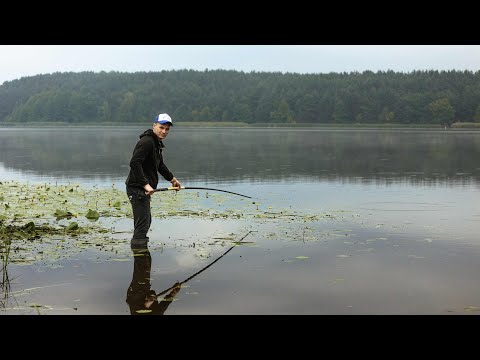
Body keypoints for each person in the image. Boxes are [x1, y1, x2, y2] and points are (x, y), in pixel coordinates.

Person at [125, 113, 182, 248]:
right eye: (161, 127)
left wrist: (172, 179)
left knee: (146, 221)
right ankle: (140, 256)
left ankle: (142, 262)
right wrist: (145, 184)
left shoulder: (156, 143)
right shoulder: (147, 142)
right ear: (154, 125)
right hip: (137, 188)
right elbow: (134, 163)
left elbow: (159, 165)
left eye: (167, 129)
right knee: (142, 226)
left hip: (142, 189)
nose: (164, 131)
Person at [126, 243, 182, 315]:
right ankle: (140, 243)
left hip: (137, 293)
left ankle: (138, 242)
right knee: (147, 259)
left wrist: (147, 304)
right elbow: (164, 305)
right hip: (144, 292)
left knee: (142, 263)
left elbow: (136, 310)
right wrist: (173, 293)